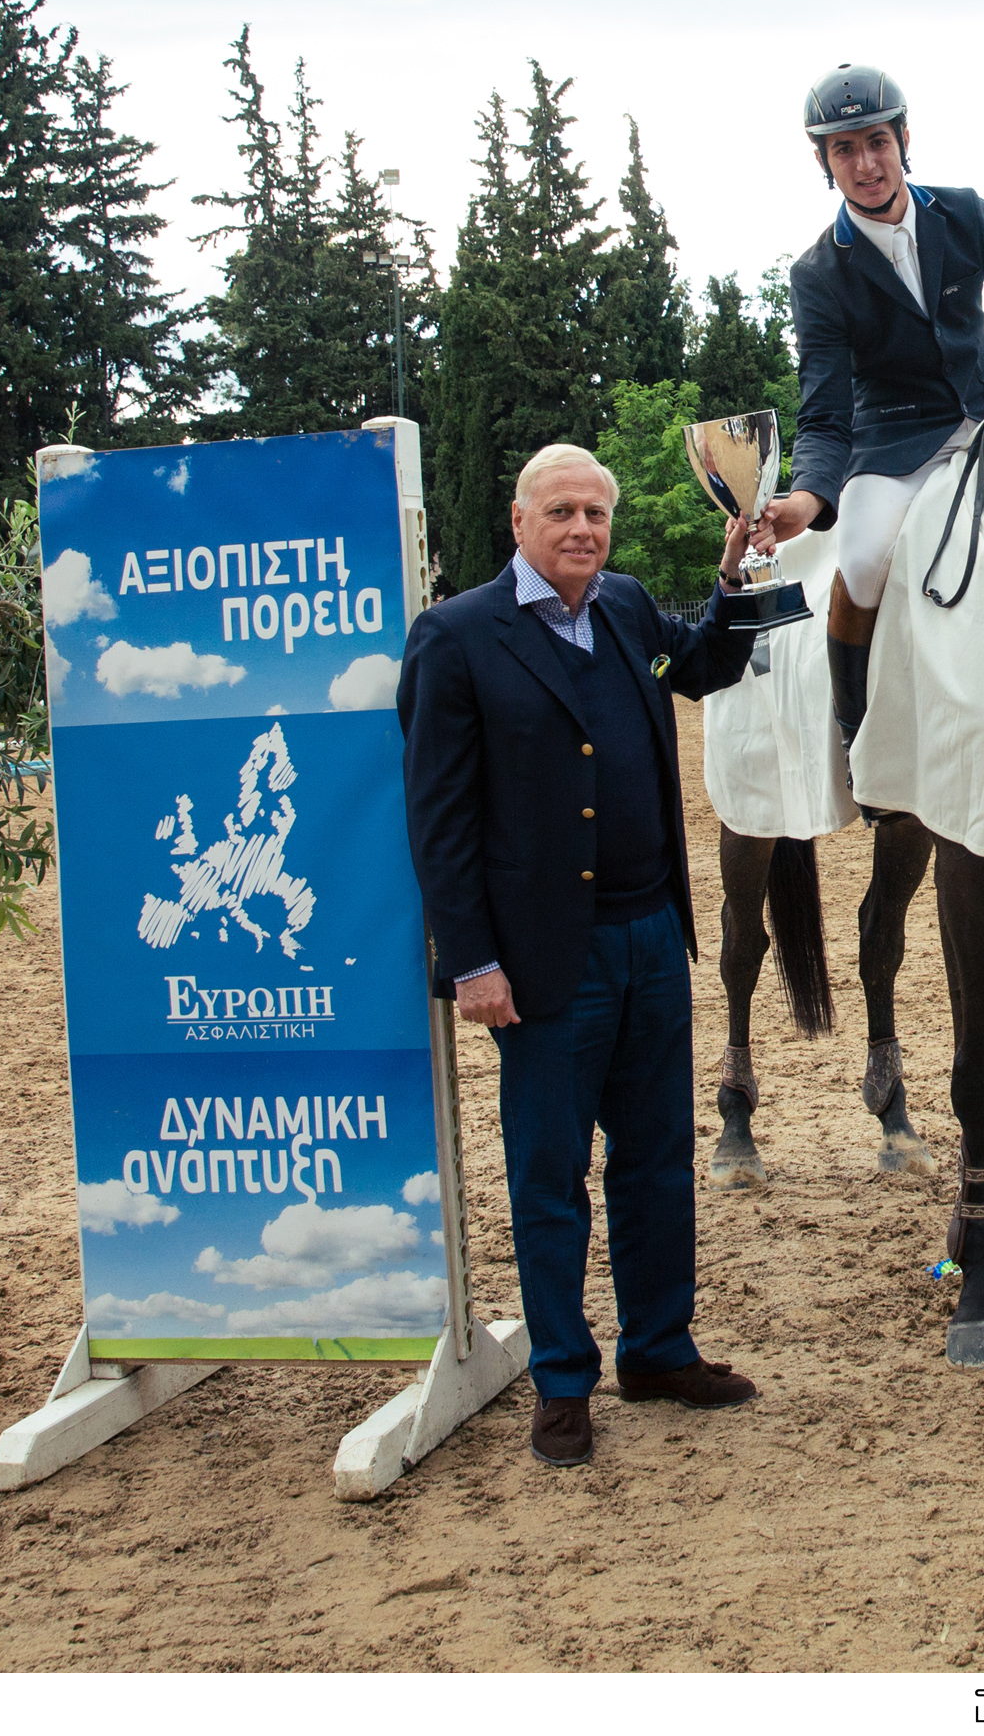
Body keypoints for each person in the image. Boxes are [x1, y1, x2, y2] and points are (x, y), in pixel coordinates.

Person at [398, 443, 764, 1467]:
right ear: (519, 522)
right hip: (543, 960)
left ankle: (657, 1347)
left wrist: (733, 577)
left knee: (658, 1162)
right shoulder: (455, 637)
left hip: (652, 938)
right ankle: (563, 1377)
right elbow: (438, 820)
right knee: (550, 1175)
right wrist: (470, 960)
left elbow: (704, 665)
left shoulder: (628, 606)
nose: (582, 529)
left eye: (596, 512)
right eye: (561, 510)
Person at [753, 64, 984, 746]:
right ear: (823, 160)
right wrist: (806, 501)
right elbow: (826, 412)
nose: (865, 163)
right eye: (844, 149)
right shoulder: (817, 274)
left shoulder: (967, 213)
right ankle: (855, 731)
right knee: (862, 559)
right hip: (892, 441)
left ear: (902, 138)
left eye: (876, 141)